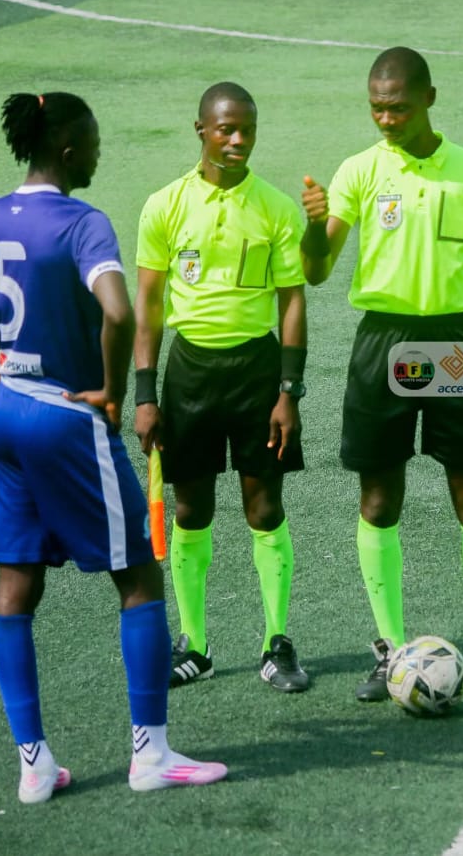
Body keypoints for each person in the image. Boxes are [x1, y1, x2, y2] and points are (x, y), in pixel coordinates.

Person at [0, 92, 226, 803]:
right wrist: (110, 391)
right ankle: (151, 755)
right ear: (71, 150)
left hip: (5, 413)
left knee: (16, 591)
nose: (102, 151)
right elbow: (118, 309)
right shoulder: (83, 225)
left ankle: (35, 766)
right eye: (96, 141)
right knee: (138, 576)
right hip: (63, 418)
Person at [299, 46, 463, 703]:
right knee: (379, 502)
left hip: (454, 341)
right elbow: (316, 268)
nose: (386, 118)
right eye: (376, 107)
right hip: (383, 340)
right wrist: (315, 228)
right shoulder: (359, 171)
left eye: (398, 106)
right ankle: (390, 650)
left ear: (431, 97)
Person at [133, 82, 310, 693]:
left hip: (257, 374)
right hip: (189, 375)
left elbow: (292, 303)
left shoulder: (277, 209)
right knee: (191, 510)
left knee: (265, 508)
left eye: (247, 130)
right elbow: (149, 306)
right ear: (201, 130)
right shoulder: (164, 206)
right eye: (226, 129)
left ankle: (276, 643)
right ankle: (197, 644)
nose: (237, 140)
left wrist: (290, 392)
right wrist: (144, 394)